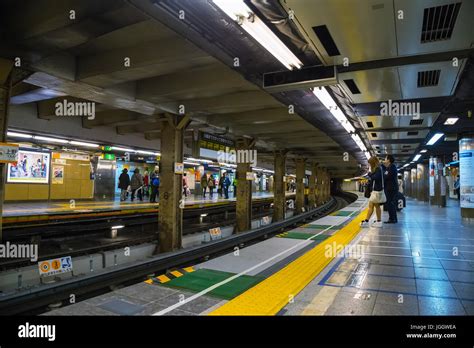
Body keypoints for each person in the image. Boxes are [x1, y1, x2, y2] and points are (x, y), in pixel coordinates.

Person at [361, 156, 384, 228]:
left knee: (374, 206)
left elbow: (376, 178)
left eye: (370, 164)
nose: (370, 165)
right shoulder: (378, 169)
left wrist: (369, 174)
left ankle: (372, 221)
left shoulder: (378, 169)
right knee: (373, 206)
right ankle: (374, 221)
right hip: (375, 190)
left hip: (376, 191)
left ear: (373, 163)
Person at [382, 154, 398, 223]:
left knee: (390, 203)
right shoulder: (389, 167)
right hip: (390, 188)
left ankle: (392, 219)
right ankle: (393, 218)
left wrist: (384, 173)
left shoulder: (392, 167)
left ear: (388, 160)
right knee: (391, 203)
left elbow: (386, 176)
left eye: (385, 158)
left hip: (391, 188)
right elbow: (385, 174)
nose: (384, 160)